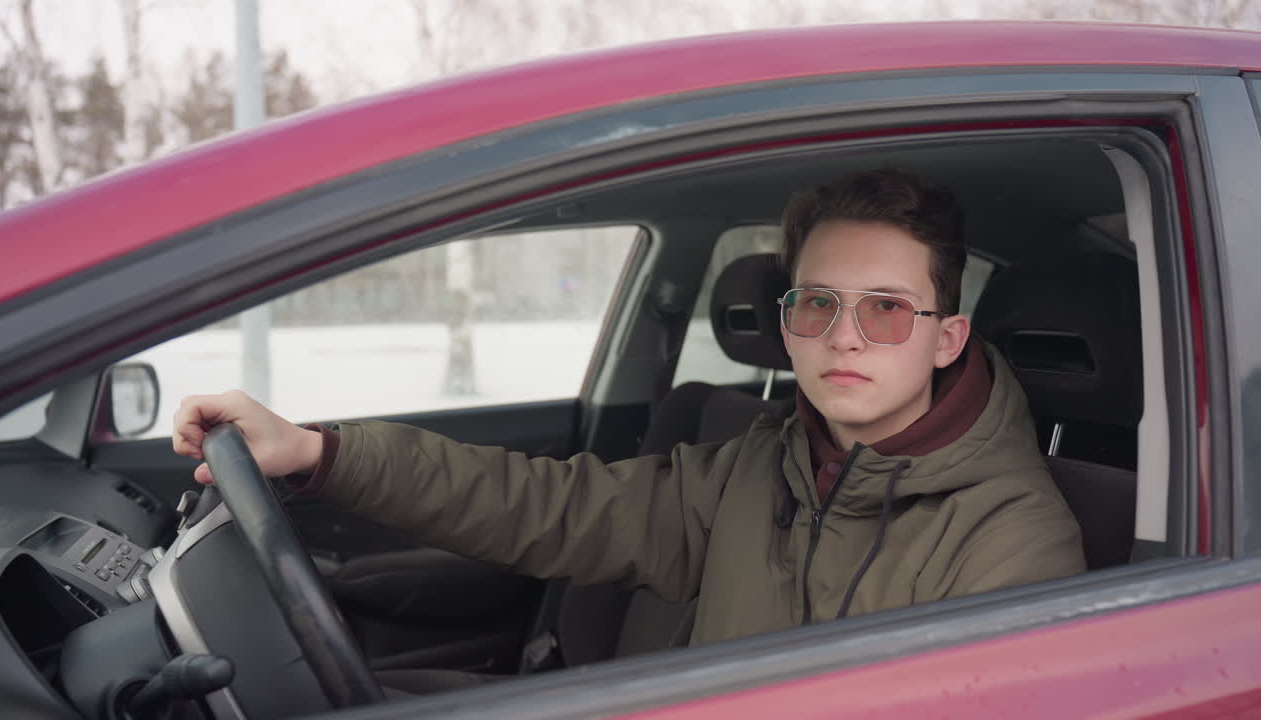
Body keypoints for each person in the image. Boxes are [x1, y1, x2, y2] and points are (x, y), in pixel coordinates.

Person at [173, 169, 1085, 647]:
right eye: (817, 303)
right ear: (790, 323)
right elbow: (547, 507)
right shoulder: (762, 467)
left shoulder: (1014, 535)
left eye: (885, 309)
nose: (844, 337)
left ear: (947, 339)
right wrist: (319, 453)